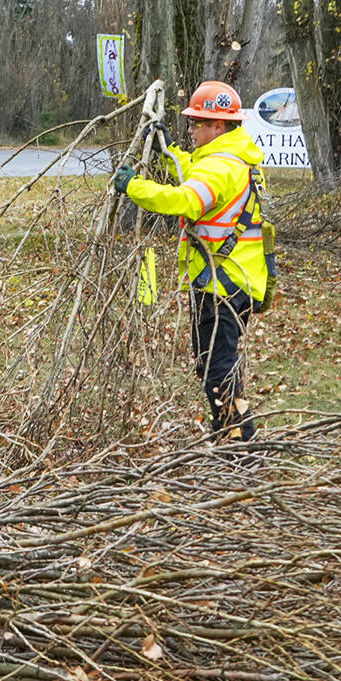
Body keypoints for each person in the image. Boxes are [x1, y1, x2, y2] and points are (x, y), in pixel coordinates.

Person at [114, 81, 268, 444]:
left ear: (219, 126)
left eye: (198, 122)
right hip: (229, 279)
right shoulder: (230, 157)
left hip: (223, 282)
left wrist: (134, 186)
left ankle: (238, 440)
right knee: (211, 361)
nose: (191, 128)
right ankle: (228, 431)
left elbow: (186, 200)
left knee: (217, 365)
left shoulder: (220, 167)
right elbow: (194, 173)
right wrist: (169, 151)